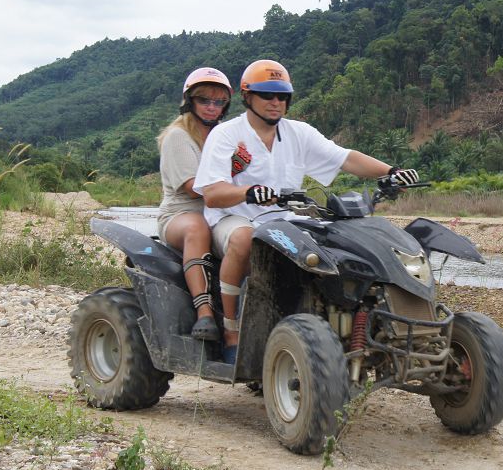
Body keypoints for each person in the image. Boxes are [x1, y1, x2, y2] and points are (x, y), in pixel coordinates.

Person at [193, 59, 419, 364]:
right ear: (247, 96)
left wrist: (391, 172)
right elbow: (212, 194)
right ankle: (231, 330)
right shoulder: (226, 134)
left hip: (284, 220)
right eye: (267, 95)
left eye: (282, 96)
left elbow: (345, 158)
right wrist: (248, 191)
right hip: (234, 218)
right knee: (245, 238)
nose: (275, 102)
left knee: (333, 241)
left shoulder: (298, 133)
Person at [156, 66, 233, 342]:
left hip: (222, 212)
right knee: (197, 227)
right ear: (190, 101)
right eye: (204, 100)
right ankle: (205, 312)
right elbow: (193, 188)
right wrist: (242, 191)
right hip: (181, 213)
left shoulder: (225, 136)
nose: (212, 107)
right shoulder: (178, 137)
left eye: (219, 102)